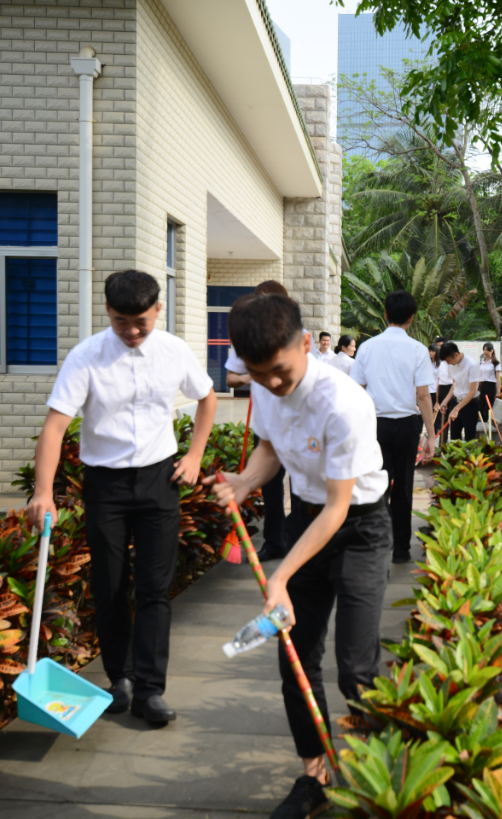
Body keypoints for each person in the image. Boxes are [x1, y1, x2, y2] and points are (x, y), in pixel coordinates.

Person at [205, 294, 390, 819]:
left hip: (358, 528)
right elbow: (270, 447)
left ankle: (383, 774)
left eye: (280, 372)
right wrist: (245, 481)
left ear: (306, 344)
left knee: (356, 667)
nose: (271, 384)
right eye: (258, 374)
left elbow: (339, 507)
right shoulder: (265, 385)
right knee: (296, 658)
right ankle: (316, 776)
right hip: (308, 519)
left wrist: (280, 576)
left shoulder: (344, 403)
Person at [27, 270, 217, 725]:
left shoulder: (174, 351)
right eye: (120, 322)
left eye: (140, 322)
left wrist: (194, 456)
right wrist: (42, 492)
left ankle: (150, 690)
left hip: (159, 481)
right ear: (107, 312)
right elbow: (55, 426)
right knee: (110, 585)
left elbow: (207, 398)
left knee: (154, 589)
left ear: (158, 310)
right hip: (105, 485)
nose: (131, 332)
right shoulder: (86, 356)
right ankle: (121, 679)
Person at [350, 291, 438, 564]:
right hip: (407, 426)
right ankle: (401, 548)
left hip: (375, 426)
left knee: (376, 486)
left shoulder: (367, 348)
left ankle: (379, 543)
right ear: (412, 318)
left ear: (385, 314)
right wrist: (431, 436)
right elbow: (423, 396)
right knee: (404, 486)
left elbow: (356, 391)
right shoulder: (417, 349)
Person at [223, 281, 300, 562]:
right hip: (267, 423)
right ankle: (275, 541)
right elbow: (231, 379)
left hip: (298, 423)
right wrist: (250, 376)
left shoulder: (297, 337)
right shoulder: (247, 339)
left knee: (301, 484)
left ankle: (299, 538)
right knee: (270, 485)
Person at [439, 342, 482, 442]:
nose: (448, 364)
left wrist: (456, 409)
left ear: (456, 355)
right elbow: (455, 385)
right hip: (455, 402)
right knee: (454, 437)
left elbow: (472, 392)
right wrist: (445, 401)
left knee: (469, 438)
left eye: (448, 361)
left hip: (470, 405)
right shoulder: (451, 364)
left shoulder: (472, 365)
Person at [477, 343, 500, 427]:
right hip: (483, 386)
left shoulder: (495, 363)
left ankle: (488, 426)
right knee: (480, 406)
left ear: (492, 351)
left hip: (491, 386)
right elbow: (479, 376)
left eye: (487, 350)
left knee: (488, 407)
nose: (485, 352)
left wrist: (498, 391)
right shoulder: (481, 362)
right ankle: (481, 425)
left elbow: (498, 378)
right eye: (484, 350)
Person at [433, 337, 452, 435]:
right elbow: (438, 381)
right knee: (440, 417)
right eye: (438, 346)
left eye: (441, 346)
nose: (439, 348)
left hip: (451, 389)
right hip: (441, 389)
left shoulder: (452, 361)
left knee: (449, 417)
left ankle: (447, 440)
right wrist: (437, 401)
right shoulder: (440, 362)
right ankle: (440, 440)